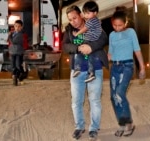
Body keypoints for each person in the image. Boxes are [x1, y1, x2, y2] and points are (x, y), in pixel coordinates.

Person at [62, 5, 109, 140]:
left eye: (75, 18)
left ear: (81, 15)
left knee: (94, 100)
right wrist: (77, 48)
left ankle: (94, 128)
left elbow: (103, 38)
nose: (73, 21)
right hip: (77, 71)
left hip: (95, 68)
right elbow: (65, 46)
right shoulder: (69, 30)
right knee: (76, 101)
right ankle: (79, 127)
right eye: (70, 19)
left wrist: (90, 47)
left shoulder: (94, 24)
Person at [108, 6, 146, 137]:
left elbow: (137, 50)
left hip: (127, 66)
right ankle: (122, 124)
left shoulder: (130, 32)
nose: (117, 28)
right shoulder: (112, 35)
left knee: (119, 93)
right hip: (115, 67)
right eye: (114, 25)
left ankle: (128, 123)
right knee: (113, 97)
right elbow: (110, 53)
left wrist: (142, 68)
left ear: (125, 23)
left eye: (120, 25)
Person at [72, 1, 102, 83]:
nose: (86, 15)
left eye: (88, 13)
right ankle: (91, 73)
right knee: (90, 56)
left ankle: (77, 68)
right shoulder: (96, 20)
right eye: (85, 13)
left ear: (95, 13)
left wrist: (76, 34)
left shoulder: (91, 21)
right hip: (94, 41)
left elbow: (85, 28)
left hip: (89, 40)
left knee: (78, 50)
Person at [8, 20, 26, 86]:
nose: (17, 28)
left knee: (18, 65)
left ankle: (22, 74)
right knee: (13, 66)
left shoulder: (20, 35)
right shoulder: (13, 33)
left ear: (21, 27)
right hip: (13, 52)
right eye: (16, 26)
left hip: (19, 52)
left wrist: (9, 36)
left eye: (19, 26)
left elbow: (13, 41)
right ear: (14, 26)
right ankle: (15, 78)